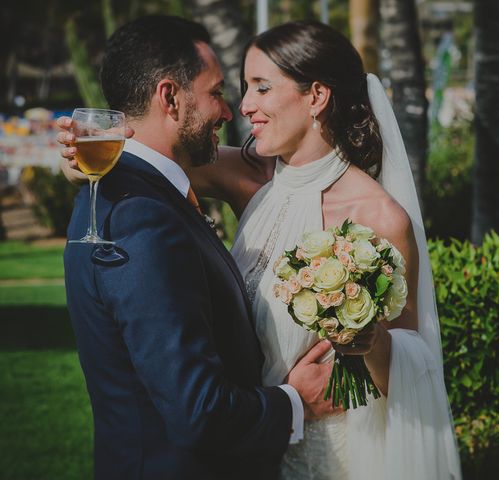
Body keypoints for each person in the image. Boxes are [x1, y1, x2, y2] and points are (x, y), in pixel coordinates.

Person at [61, 19, 462, 480]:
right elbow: (151, 160)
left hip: (328, 447)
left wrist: (368, 341)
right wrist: (80, 165)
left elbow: (412, 363)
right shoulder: (248, 177)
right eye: (237, 88)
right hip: (253, 438)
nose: (242, 106)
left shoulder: (381, 217)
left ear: (316, 95)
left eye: (261, 88)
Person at [61, 15, 338, 480]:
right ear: (170, 97)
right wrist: (298, 402)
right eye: (216, 92)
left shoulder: (121, 192)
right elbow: (199, 410)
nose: (230, 111)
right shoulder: (143, 218)